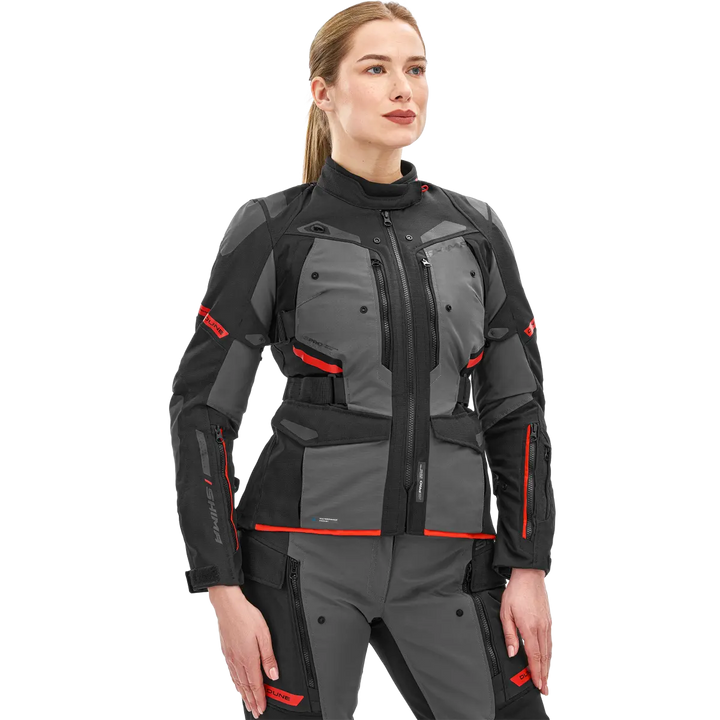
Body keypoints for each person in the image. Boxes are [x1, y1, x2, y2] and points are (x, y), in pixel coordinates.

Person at [167, 2, 557, 718]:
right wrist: (222, 589)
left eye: (416, 69)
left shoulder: (476, 227)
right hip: (300, 562)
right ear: (322, 90)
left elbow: (518, 410)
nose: (403, 88)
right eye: (375, 69)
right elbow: (202, 413)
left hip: (453, 563)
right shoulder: (273, 226)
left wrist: (529, 567)